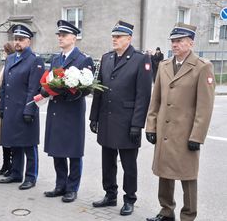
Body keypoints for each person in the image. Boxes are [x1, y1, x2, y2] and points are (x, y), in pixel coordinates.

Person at [145, 23, 215, 221]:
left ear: (191, 43)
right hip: (164, 130)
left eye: (179, 41)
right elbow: (155, 99)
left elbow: (205, 107)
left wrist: (197, 136)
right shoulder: (165, 65)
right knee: (164, 174)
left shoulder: (203, 67)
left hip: (186, 133)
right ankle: (166, 211)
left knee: (188, 176)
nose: (175, 45)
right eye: (173, 41)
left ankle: (188, 215)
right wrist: (151, 125)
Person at [89, 20, 152, 216]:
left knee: (128, 165)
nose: (114, 40)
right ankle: (110, 194)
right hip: (106, 120)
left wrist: (137, 125)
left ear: (129, 39)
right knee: (107, 161)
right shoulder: (106, 58)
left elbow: (143, 95)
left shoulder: (141, 59)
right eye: (113, 36)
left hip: (127, 123)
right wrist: (94, 117)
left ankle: (129, 199)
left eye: (118, 37)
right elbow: (98, 89)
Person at [42, 20, 94, 203]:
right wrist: (46, 89)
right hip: (56, 109)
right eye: (59, 35)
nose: (60, 38)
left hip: (72, 110)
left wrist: (69, 92)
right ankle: (60, 185)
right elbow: (49, 80)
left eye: (64, 35)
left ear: (74, 37)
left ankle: (72, 188)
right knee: (57, 150)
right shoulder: (56, 59)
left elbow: (87, 88)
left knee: (73, 151)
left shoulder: (83, 59)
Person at [0, 24, 45, 190]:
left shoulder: (35, 60)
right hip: (10, 109)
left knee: (28, 145)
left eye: (21, 39)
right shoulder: (10, 58)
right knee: (14, 142)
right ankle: (16, 173)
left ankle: (31, 177)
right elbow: (5, 86)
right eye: (15, 39)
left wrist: (29, 110)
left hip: (25, 110)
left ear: (29, 41)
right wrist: (1, 105)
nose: (17, 42)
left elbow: (34, 89)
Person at [0, 42, 15, 176]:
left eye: (4, 51)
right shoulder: (4, 65)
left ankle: (12, 165)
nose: (2, 54)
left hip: (9, 106)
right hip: (0, 105)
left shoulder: (13, 65)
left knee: (10, 138)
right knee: (3, 138)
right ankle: (5, 164)